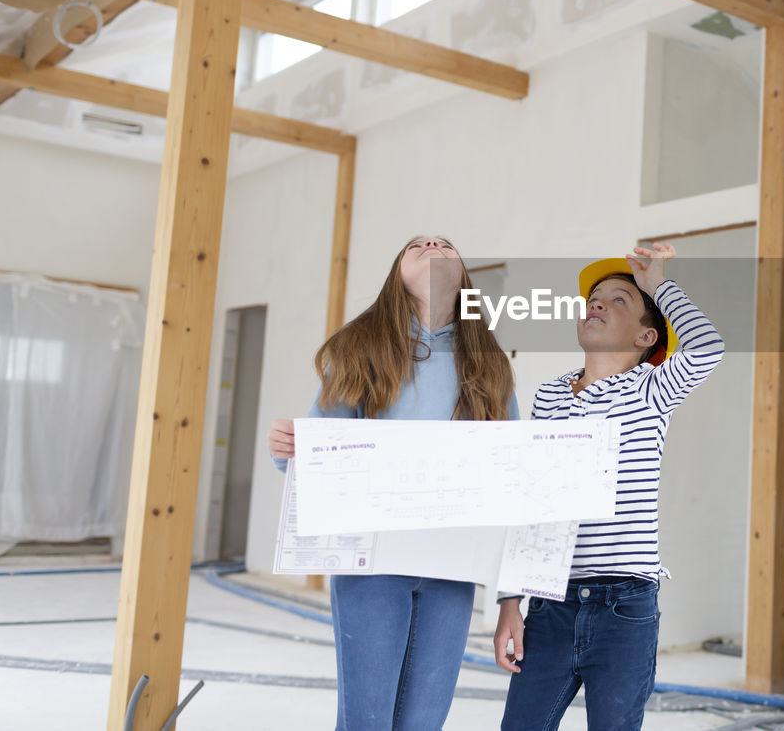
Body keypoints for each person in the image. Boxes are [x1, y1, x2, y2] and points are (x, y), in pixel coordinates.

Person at [267, 235, 517, 731]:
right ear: (395, 274)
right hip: (372, 563)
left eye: (443, 244)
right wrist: (290, 448)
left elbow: (509, 486)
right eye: (416, 245)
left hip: (452, 569)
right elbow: (318, 452)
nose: (430, 245)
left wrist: (510, 600)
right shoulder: (358, 349)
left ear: (463, 274)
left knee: (424, 722)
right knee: (367, 721)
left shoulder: (491, 364)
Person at [493, 242, 724, 731]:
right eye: (594, 298)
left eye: (620, 299)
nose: (597, 303)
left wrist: (656, 284)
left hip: (624, 607)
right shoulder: (550, 394)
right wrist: (510, 600)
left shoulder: (649, 388)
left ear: (646, 337)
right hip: (551, 604)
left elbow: (707, 347)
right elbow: (530, 499)